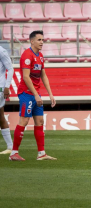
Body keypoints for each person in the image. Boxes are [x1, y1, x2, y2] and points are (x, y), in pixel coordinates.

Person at [9, 31, 57, 161]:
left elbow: (43, 75)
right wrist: (36, 95)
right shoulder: (27, 55)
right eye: (39, 40)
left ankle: (41, 153)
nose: (42, 42)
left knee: (40, 121)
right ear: (32, 41)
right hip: (26, 93)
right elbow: (25, 77)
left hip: (36, 94)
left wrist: (50, 94)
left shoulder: (40, 56)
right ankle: (14, 153)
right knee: (24, 121)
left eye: (43, 39)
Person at [0, 46, 14, 154]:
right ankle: (10, 147)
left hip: (0, 87)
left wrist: (7, 86)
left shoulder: (1, 51)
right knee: (1, 116)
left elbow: (10, 68)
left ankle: (10, 146)